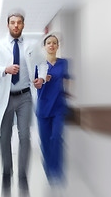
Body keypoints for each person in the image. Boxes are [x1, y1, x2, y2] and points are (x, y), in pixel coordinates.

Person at [0, 12, 48, 196]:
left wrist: (41, 78)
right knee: (4, 136)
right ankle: (6, 172)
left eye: (19, 23)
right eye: (12, 22)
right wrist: (5, 69)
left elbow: (42, 64)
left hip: (25, 96)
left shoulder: (32, 45)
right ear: (8, 25)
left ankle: (23, 176)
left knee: (25, 135)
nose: (16, 26)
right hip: (5, 96)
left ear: (23, 25)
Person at [35, 34, 70, 187]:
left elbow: (66, 80)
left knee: (56, 138)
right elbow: (34, 84)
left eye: (54, 43)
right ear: (44, 46)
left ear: (57, 46)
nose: (51, 45)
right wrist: (41, 82)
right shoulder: (38, 64)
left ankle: (58, 170)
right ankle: (49, 170)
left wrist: (68, 92)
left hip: (59, 107)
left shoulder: (64, 63)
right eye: (48, 43)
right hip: (43, 108)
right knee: (45, 142)